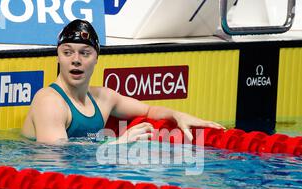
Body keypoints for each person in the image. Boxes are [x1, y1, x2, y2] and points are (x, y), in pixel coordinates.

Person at [21, 19, 224, 145]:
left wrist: (176, 115)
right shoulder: (49, 101)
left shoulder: (103, 98)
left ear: (96, 58)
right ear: (57, 57)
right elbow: (53, 159)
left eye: (85, 53)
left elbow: (147, 110)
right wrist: (116, 144)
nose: (76, 59)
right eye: (67, 52)